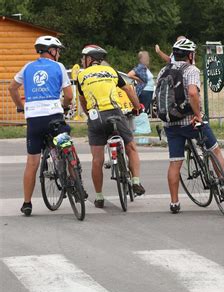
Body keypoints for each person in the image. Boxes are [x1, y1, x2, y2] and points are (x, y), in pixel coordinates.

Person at [156, 38, 224, 214]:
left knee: (175, 163)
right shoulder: (191, 70)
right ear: (190, 55)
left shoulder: (163, 70)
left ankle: (174, 203)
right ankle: (222, 185)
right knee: (215, 150)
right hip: (190, 121)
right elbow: (193, 93)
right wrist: (198, 115)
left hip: (170, 123)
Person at [8, 36, 73, 216]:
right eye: (57, 50)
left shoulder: (28, 67)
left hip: (34, 120)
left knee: (32, 162)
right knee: (66, 145)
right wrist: (65, 106)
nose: (58, 54)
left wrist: (21, 106)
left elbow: (12, 88)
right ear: (52, 50)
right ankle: (76, 185)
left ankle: (27, 203)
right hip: (54, 117)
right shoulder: (59, 67)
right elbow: (68, 95)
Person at [77, 45, 145, 208]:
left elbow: (82, 100)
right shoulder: (111, 71)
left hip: (96, 116)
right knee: (131, 147)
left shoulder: (81, 75)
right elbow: (128, 89)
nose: (82, 61)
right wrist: (137, 106)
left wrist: (89, 114)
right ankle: (136, 181)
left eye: (83, 58)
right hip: (115, 113)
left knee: (97, 159)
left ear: (89, 59)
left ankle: (99, 197)